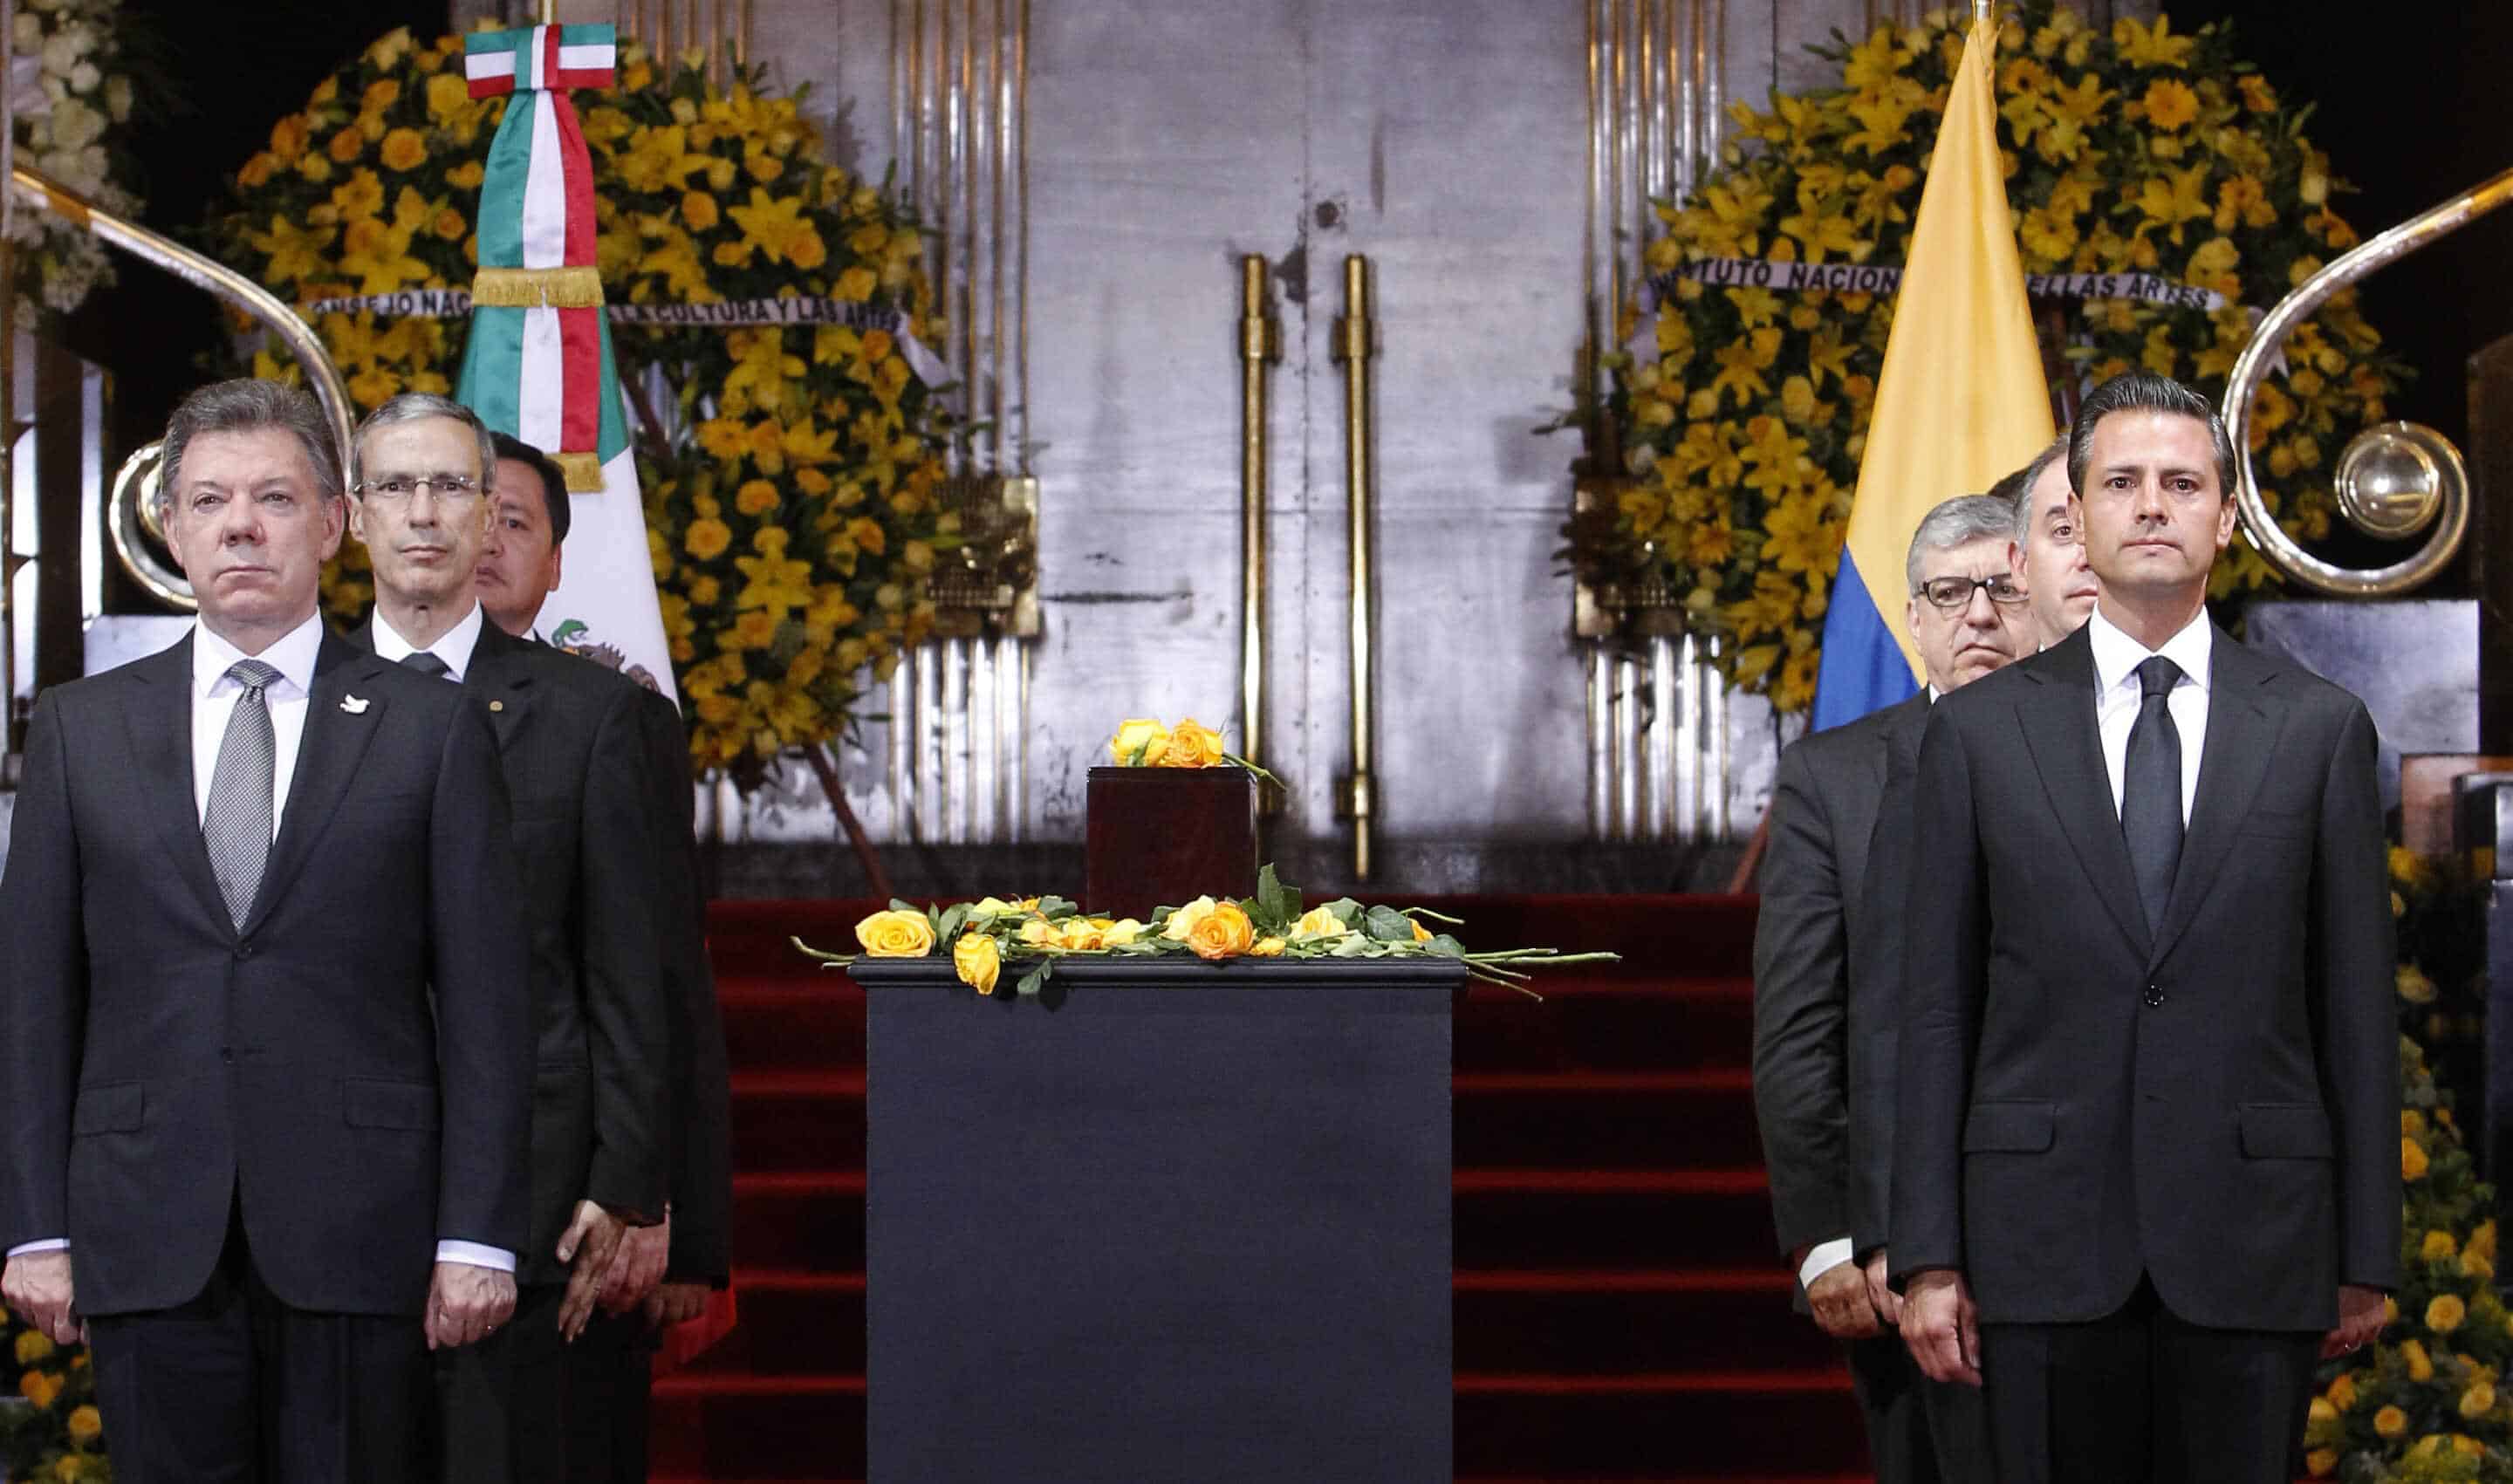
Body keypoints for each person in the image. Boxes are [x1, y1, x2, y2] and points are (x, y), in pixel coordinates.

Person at [0, 378, 531, 1481]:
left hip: (364, 1232)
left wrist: (476, 1234)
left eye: (274, 499)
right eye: (209, 500)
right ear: (173, 527)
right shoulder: (79, 728)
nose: (240, 523)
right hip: (147, 1227)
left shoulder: (429, 728)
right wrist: (34, 1227)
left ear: (334, 524)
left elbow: (487, 1002)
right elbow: (33, 996)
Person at [1892, 373, 2398, 1483]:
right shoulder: (1979, 736)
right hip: (2037, 1244)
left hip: (2255, 1243)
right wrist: (1928, 1255)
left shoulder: (2319, 730)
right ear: (2071, 522)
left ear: (2227, 518)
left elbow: (2356, 1007)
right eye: (2121, 483)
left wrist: (2366, 1250)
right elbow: (1933, 1008)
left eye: (2182, 482)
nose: (2154, 505)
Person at [345, 393, 675, 1482]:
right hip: (334, 1204)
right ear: (354, 516)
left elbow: (634, 970)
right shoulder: (287, 706)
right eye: (397, 487)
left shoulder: (595, 719)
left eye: (453, 488)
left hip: (541, 1214)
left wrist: (627, 1184)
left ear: (493, 517)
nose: (425, 515)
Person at [1751, 493, 2023, 1484]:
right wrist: (1827, 1236)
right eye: (1949, 594)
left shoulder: (2116, 751)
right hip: (1894, 1249)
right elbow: (1800, 1029)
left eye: (2001, 586)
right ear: (1911, 618)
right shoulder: (1837, 779)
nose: (1979, 616)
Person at [486, 429, 734, 1481]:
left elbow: (661, 975)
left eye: (516, 522)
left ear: (556, 568)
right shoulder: (329, 696)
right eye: (463, 506)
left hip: (566, 1198)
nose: (482, 537)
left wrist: (681, 1210)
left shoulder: (611, 720)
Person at [2004, 435, 2099, 651]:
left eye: (2107, 530)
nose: (2088, 557)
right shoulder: (1991, 686)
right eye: (2064, 530)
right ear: (2020, 565)